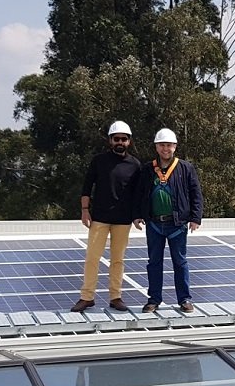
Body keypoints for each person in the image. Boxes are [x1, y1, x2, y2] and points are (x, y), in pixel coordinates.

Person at [71, 120, 144, 313]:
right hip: (100, 218)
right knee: (92, 258)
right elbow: (87, 186)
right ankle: (87, 297)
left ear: (129, 141)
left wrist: (137, 216)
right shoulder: (99, 161)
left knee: (118, 260)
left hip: (123, 220)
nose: (120, 142)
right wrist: (85, 210)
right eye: (116, 139)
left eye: (124, 139)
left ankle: (115, 297)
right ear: (110, 141)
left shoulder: (135, 165)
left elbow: (138, 194)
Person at [133, 127, 203, 313]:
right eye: (162, 145)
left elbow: (196, 194)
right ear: (156, 147)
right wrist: (137, 214)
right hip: (154, 224)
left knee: (180, 262)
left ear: (175, 147)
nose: (166, 149)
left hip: (177, 224)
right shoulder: (147, 169)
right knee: (154, 263)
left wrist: (195, 217)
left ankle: (185, 299)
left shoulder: (185, 168)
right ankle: (154, 300)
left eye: (169, 145)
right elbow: (139, 193)